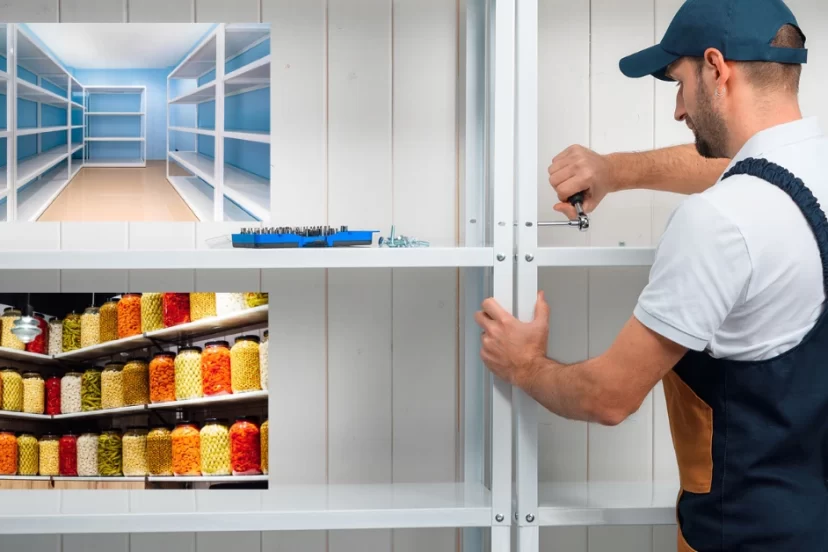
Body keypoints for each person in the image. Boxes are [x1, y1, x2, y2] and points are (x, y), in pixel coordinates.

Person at [474, 0, 828, 550]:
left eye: (678, 82)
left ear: (716, 67)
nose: (678, 109)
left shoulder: (719, 220)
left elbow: (608, 397)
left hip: (745, 536)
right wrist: (614, 171)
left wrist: (524, 363)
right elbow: (740, 163)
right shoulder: (810, 169)